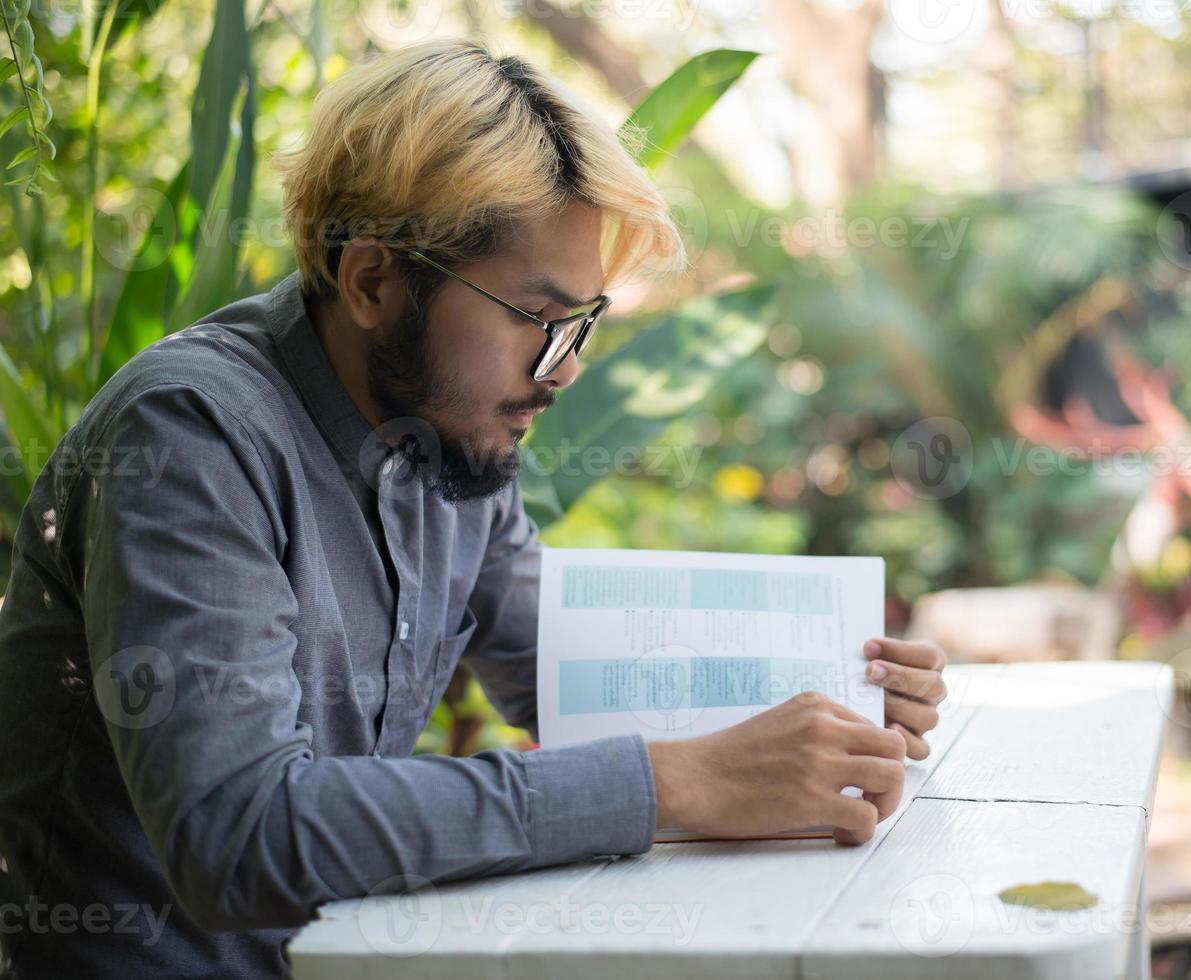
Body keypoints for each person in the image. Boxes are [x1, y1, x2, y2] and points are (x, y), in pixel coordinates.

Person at [0, 39, 948, 979]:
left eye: (582, 324)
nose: (565, 368)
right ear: (372, 279)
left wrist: (835, 701)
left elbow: (579, 670)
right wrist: (676, 783)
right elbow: (240, 835)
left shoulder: (444, 434)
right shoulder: (191, 436)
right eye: (538, 323)